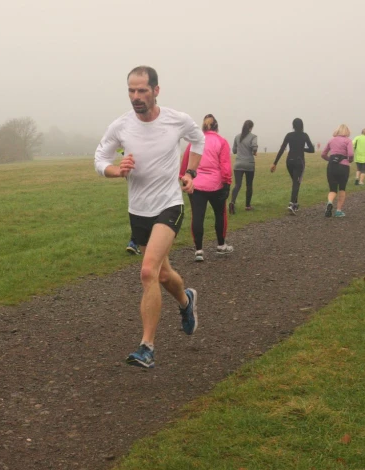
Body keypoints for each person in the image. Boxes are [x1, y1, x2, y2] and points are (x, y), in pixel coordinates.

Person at [94, 65, 204, 368]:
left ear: (156, 90)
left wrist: (190, 173)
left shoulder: (176, 120)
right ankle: (186, 301)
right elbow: (100, 160)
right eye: (131, 90)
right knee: (164, 275)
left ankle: (147, 347)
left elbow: (199, 139)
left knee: (147, 272)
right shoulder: (121, 126)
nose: (136, 96)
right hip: (138, 210)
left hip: (169, 205)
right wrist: (117, 170)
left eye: (142, 90)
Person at [179, 114, 233, 262]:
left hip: (196, 184)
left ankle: (199, 251)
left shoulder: (194, 143)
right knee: (220, 214)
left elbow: (185, 163)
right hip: (216, 185)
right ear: (217, 127)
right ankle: (221, 245)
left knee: (197, 216)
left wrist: (183, 178)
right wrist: (227, 183)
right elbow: (225, 166)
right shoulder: (222, 142)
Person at [270, 118, 315, 214]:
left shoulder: (289, 135)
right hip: (299, 162)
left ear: (293, 126)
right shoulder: (304, 135)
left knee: (295, 182)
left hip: (289, 161)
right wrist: (302, 149)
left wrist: (275, 163)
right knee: (296, 182)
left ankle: (295, 203)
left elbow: (282, 149)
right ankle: (291, 204)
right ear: (302, 125)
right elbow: (312, 149)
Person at [321, 125, 354, 217]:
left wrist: (330, 160)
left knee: (332, 189)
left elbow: (323, 154)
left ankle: (330, 202)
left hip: (332, 166)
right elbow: (351, 154)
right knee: (342, 188)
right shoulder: (348, 141)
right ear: (347, 132)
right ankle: (338, 211)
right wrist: (349, 160)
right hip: (344, 167)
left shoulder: (331, 140)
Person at [230, 120, 258, 214]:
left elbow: (234, 150)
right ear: (251, 127)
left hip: (238, 164)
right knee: (249, 185)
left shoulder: (237, 137)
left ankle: (232, 202)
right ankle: (247, 206)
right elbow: (254, 147)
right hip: (249, 164)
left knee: (237, 185)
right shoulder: (253, 137)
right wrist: (254, 152)